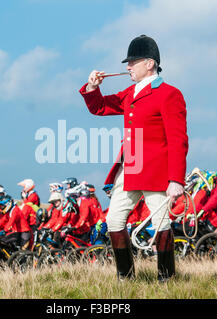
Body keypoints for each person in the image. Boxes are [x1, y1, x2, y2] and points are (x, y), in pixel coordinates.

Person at [79, 34, 189, 282]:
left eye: (133, 61)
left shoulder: (169, 94)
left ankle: (166, 279)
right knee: (114, 220)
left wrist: (176, 179)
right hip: (130, 168)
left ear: (149, 63)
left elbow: (178, 140)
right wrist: (93, 87)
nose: (127, 66)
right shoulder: (131, 92)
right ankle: (125, 278)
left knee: (161, 226)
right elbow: (100, 107)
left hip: (157, 172)